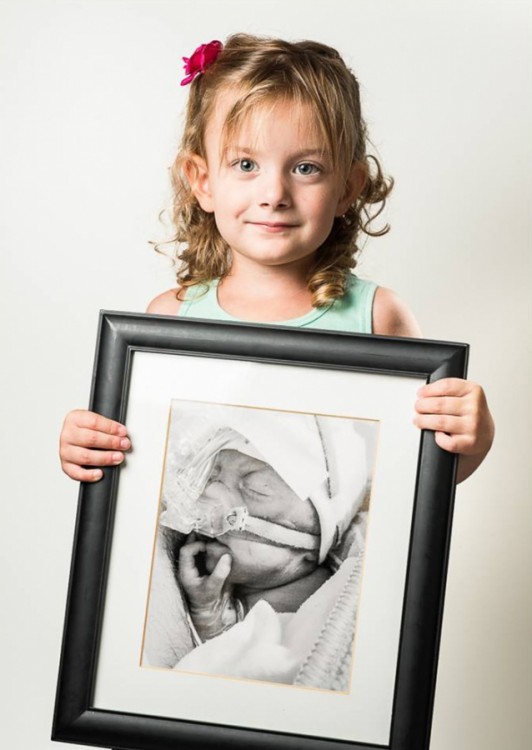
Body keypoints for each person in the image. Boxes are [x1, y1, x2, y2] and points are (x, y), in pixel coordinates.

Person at [59, 33, 494, 486]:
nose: (274, 195)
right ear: (202, 181)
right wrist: (90, 447)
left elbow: (408, 487)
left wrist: (471, 439)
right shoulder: (169, 320)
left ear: (347, 187)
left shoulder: (379, 318)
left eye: (306, 168)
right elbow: (148, 473)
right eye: (246, 165)